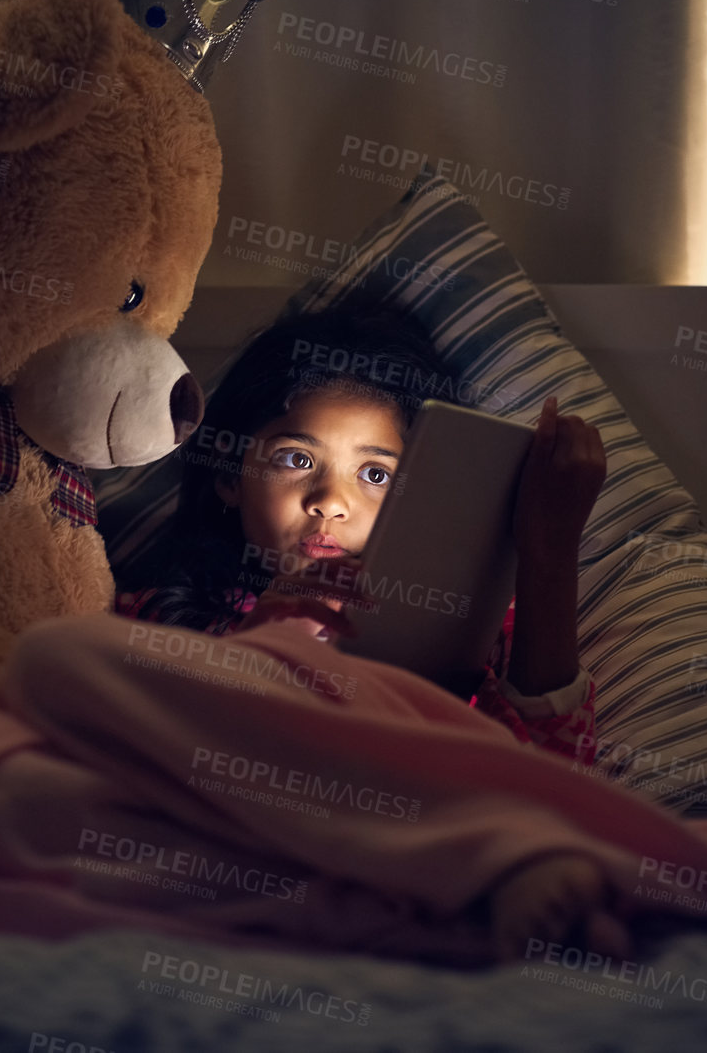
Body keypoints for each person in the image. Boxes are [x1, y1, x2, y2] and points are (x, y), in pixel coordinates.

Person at [114, 300, 609, 769]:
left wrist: (551, 549)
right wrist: (260, 651)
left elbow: (551, 788)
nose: (330, 501)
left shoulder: (470, 633)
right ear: (228, 476)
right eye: (296, 460)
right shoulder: (155, 625)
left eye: (376, 475)